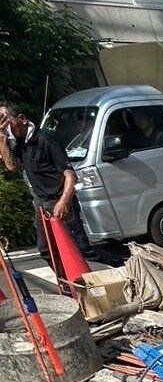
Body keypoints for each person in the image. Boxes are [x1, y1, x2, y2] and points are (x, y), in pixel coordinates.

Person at [0, 101, 102, 265]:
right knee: (48, 251)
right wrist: (2, 138)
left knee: (81, 249)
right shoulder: (20, 143)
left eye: (6, 120)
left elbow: (70, 175)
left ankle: (118, 271)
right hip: (41, 202)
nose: (5, 125)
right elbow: (12, 167)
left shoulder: (45, 138)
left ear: (22, 119)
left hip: (59, 198)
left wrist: (64, 201)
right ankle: (69, 287)